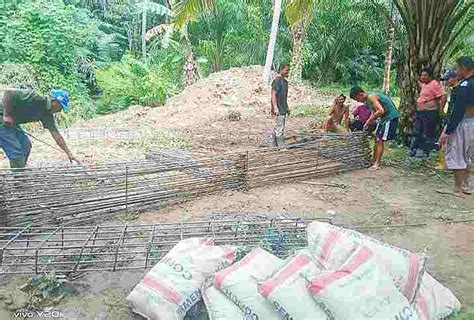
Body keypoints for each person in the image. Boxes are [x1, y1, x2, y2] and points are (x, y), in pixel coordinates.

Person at [0, 89, 79, 170]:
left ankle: (20, 170)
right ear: (54, 101)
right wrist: (7, 115)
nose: (60, 110)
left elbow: (56, 134)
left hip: (11, 124)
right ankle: (18, 178)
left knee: (26, 146)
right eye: (61, 107)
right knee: (16, 151)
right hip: (2, 120)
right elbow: (8, 94)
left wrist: (69, 153)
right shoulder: (35, 97)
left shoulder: (47, 115)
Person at [438, 56, 474, 197]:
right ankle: (467, 186)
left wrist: (448, 130)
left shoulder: (464, 85)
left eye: (457, 67)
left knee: (457, 154)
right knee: (468, 155)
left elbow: (458, 110)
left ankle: (457, 189)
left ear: (464, 68)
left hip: (464, 123)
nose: (456, 70)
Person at [350, 86, 399, 170]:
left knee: (379, 140)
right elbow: (374, 112)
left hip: (390, 117)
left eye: (357, 99)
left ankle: (377, 163)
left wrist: (371, 119)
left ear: (361, 94)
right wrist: (368, 122)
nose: (358, 101)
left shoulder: (371, 97)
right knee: (376, 138)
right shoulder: (367, 101)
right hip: (384, 118)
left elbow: (381, 111)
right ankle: (373, 160)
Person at [408, 67, 447, 159]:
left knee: (427, 133)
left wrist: (440, 109)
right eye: (422, 75)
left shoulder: (434, 84)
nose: (423, 77)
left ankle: (426, 152)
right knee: (417, 131)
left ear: (430, 76)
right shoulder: (425, 85)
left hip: (429, 112)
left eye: (425, 75)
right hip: (420, 113)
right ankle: (414, 151)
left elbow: (443, 96)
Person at [271, 64, 290, 148]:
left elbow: (284, 97)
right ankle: (281, 146)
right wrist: (275, 107)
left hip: (283, 108)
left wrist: (287, 107)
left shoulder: (285, 82)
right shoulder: (277, 81)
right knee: (279, 127)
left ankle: (274, 145)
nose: (287, 72)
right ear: (281, 70)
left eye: (288, 70)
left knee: (279, 126)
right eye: (286, 70)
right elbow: (273, 94)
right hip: (278, 108)